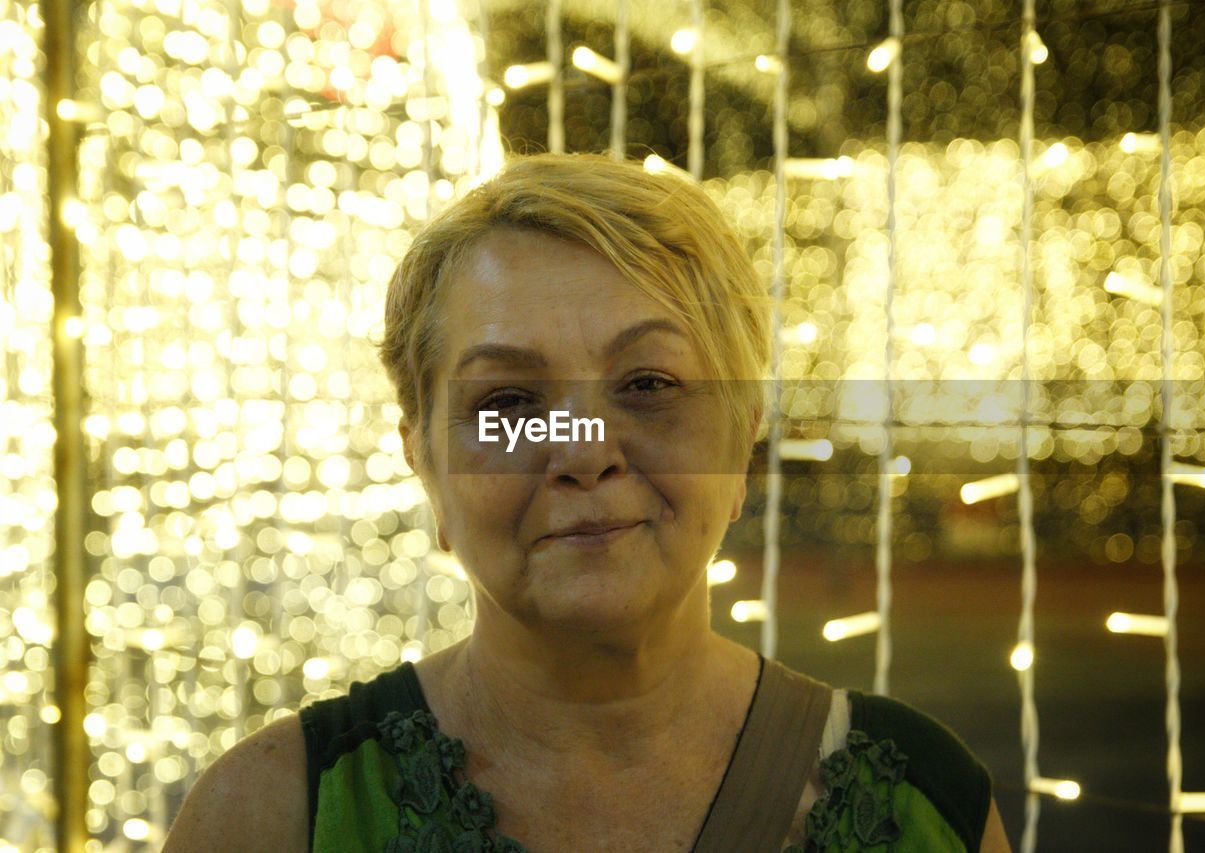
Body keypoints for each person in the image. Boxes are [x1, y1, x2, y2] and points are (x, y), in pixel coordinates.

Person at [164, 153, 1011, 852]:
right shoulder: (268, 816)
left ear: (741, 439)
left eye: (647, 383)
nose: (583, 450)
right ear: (423, 457)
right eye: (508, 404)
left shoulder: (923, 805)